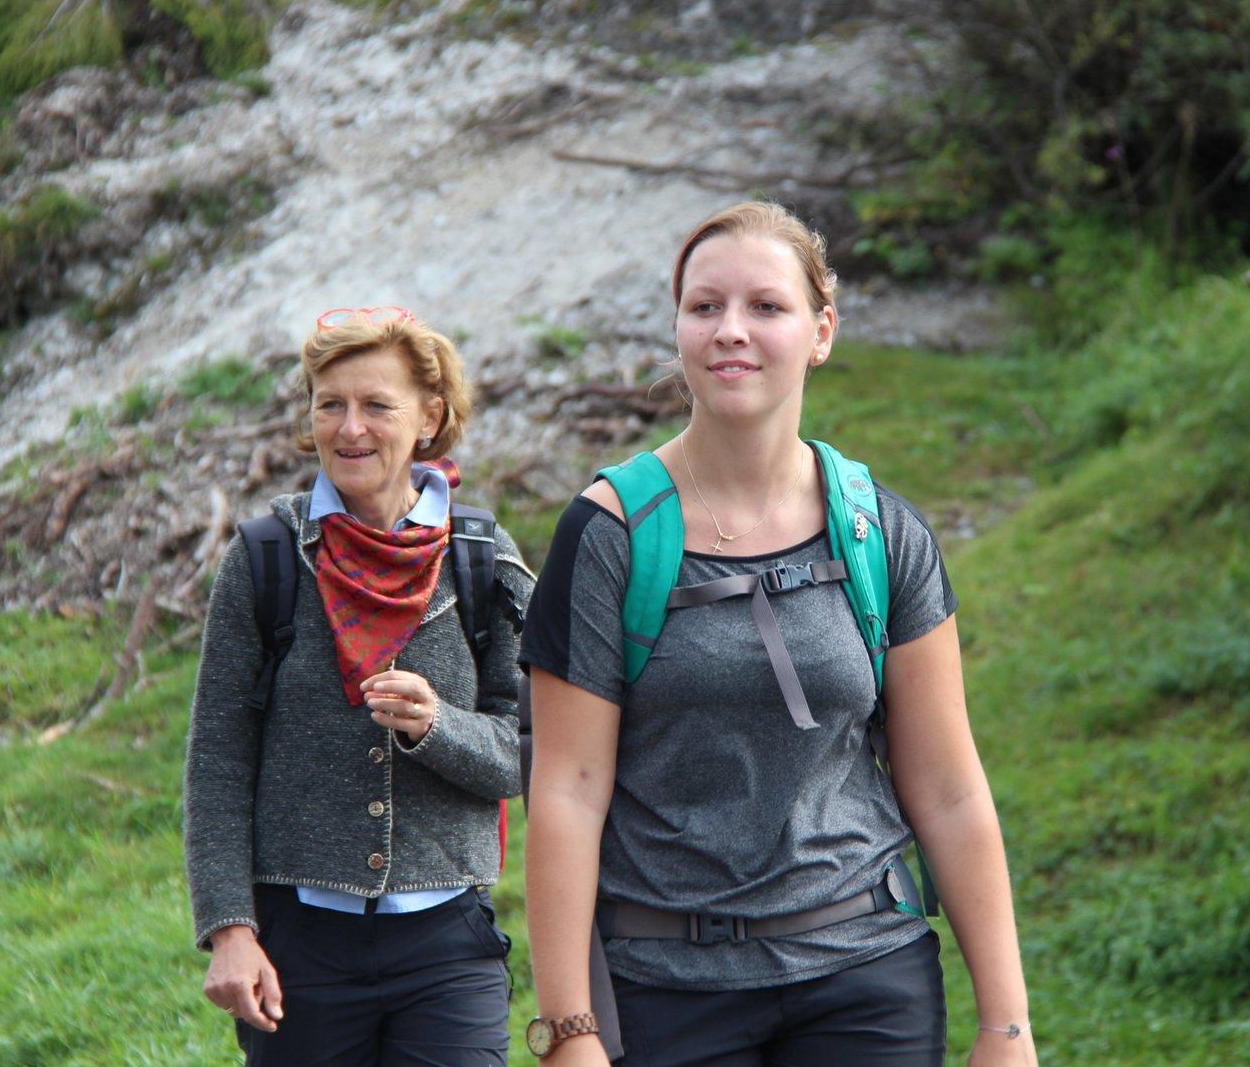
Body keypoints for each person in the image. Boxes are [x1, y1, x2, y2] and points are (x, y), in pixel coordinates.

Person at [520, 202, 1036, 1066]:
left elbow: (948, 789)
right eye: (705, 306)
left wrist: (1006, 1026)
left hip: (867, 976)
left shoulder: (880, 532)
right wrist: (570, 1032)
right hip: (666, 987)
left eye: (766, 306)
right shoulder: (609, 535)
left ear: (821, 331)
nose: (731, 330)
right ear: (678, 328)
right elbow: (567, 790)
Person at [184, 306, 534, 1066]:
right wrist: (230, 930)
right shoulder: (267, 557)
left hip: (448, 946)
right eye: (329, 405)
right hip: (299, 947)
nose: (350, 429)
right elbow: (217, 762)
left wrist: (438, 726)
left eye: (377, 405)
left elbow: (528, 752)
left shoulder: (482, 558)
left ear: (429, 417)